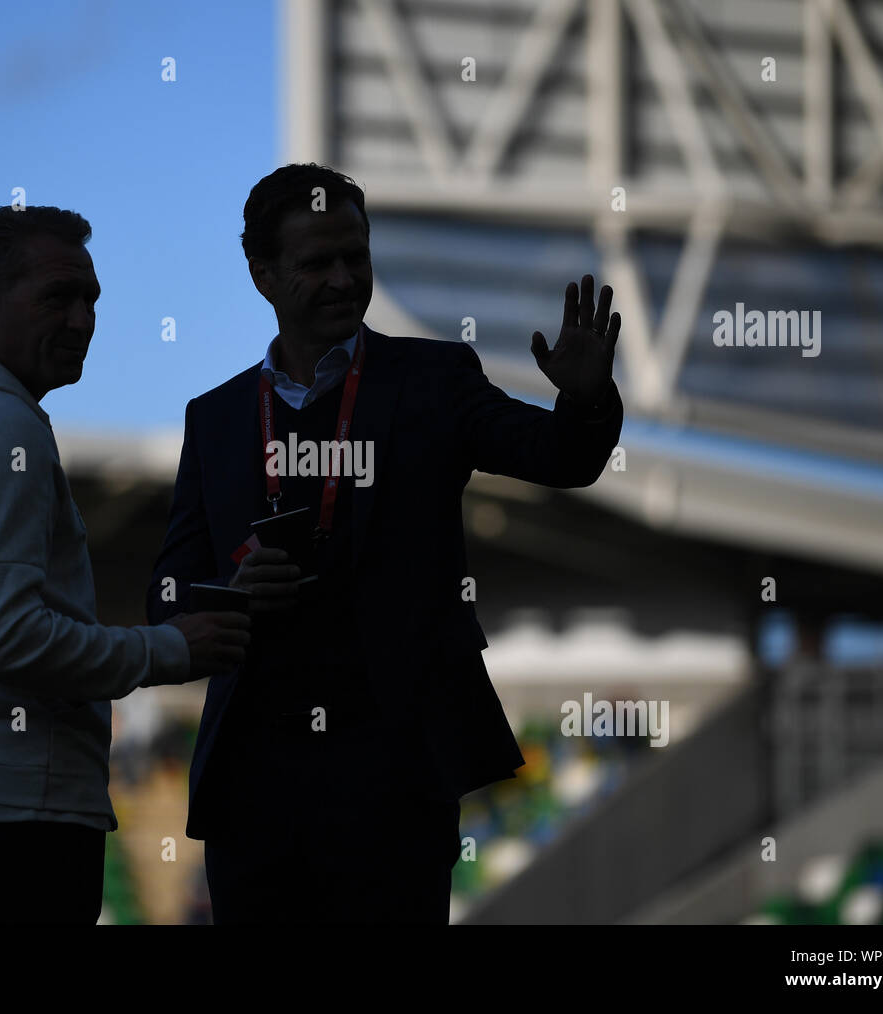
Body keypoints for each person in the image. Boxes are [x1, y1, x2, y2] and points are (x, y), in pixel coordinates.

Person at [146, 163, 625, 924]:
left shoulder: (434, 378)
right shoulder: (217, 418)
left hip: (396, 779)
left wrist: (587, 399)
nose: (343, 279)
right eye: (316, 263)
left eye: (356, 258)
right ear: (262, 276)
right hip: (256, 791)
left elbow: (560, 456)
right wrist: (231, 595)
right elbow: (167, 594)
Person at [0, 205, 249, 925]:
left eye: (91, 299)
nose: (81, 320)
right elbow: (4, 637)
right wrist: (170, 647)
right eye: (57, 298)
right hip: (7, 813)